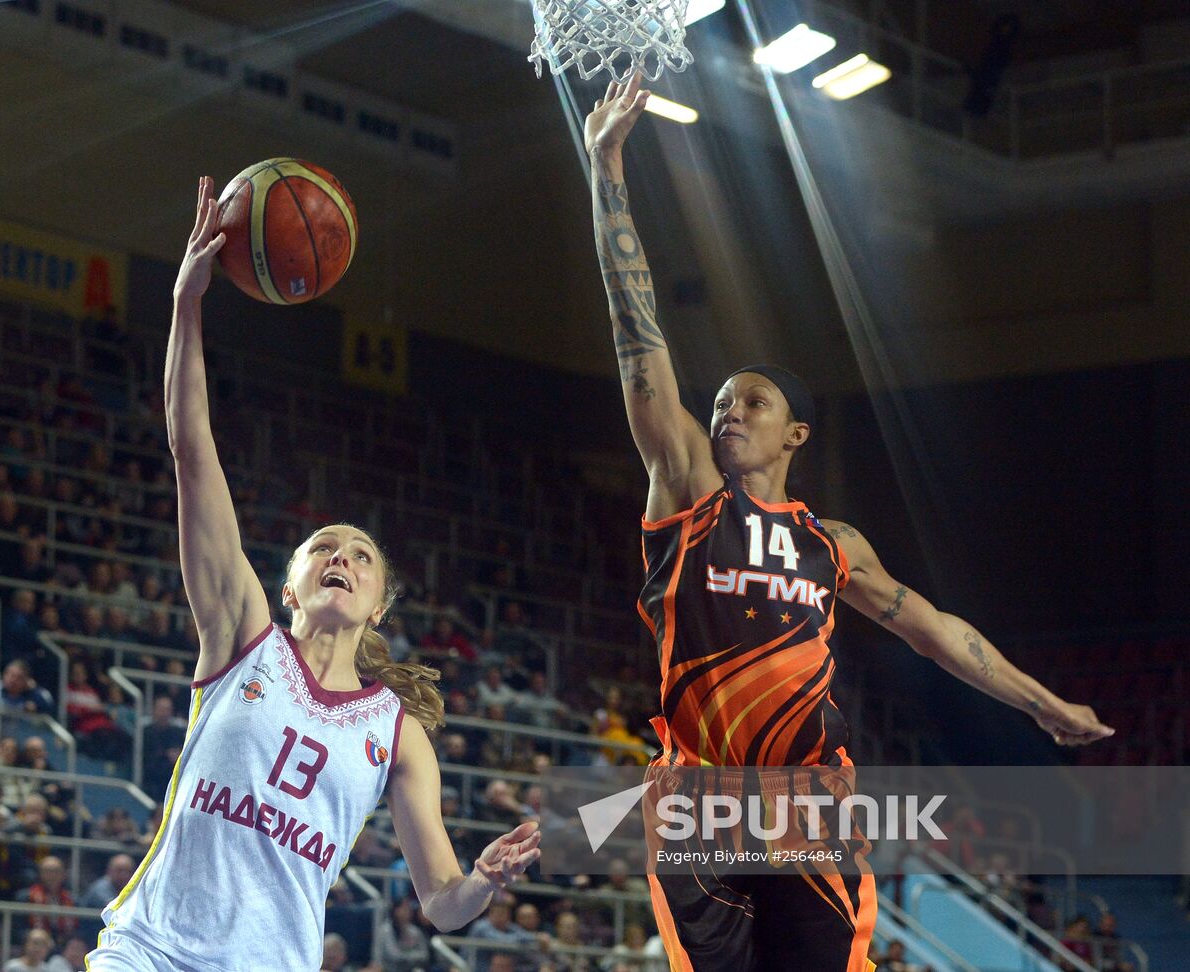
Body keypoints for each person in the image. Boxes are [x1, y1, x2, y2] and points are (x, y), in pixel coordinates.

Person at [582, 73, 1115, 971]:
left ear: (795, 431)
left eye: (749, 401)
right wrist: (606, 166)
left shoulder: (834, 545)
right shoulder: (683, 492)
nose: (725, 412)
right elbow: (638, 342)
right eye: (717, 402)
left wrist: (1045, 705)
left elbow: (940, 635)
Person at [87, 178, 541, 972]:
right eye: (324, 548)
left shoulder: (396, 733)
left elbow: (441, 901)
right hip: (149, 952)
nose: (343, 558)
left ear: (378, 605)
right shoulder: (242, 636)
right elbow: (193, 455)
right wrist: (186, 304)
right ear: (289, 586)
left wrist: (482, 880)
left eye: (362, 555)